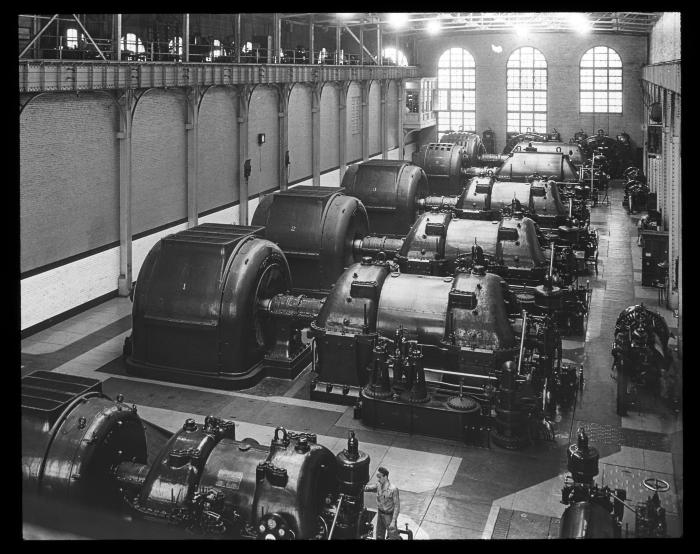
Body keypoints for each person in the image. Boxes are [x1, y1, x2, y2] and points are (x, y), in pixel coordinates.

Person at [364, 466, 400, 540]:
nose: (378, 479)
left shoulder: (393, 489)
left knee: (393, 537)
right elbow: (368, 488)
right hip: (380, 514)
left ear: (385, 477)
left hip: (389, 516)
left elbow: (397, 506)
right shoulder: (378, 485)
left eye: (380, 477)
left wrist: (393, 521)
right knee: (379, 536)